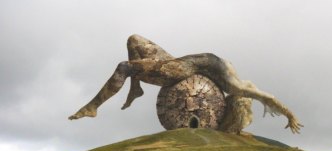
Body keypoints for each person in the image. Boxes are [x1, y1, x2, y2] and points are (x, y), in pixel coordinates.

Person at [68, 34, 302, 134]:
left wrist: (289, 115)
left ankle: (93, 107)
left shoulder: (235, 87)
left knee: (124, 67)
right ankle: (135, 87)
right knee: (134, 39)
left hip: (179, 70)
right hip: (177, 61)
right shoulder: (229, 72)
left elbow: (267, 98)